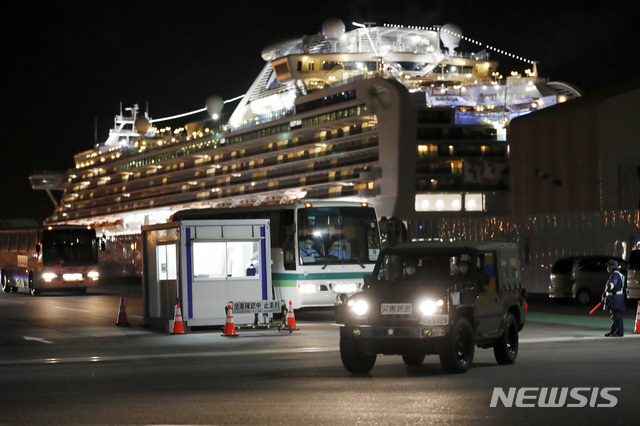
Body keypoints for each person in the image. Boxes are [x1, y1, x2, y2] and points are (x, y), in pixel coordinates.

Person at [602, 259, 625, 337]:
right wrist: (604, 295)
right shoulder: (616, 274)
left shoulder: (615, 274)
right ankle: (613, 331)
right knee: (614, 314)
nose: (608, 267)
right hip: (616, 297)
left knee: (616, 314)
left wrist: (609, 287)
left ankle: (619, 332)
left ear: (613, 266)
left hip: (615, 297)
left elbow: (612, 285)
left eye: (609, 266)